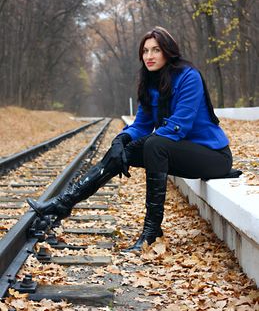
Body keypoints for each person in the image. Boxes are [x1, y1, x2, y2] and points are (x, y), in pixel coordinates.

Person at [27, 26, 240, 252]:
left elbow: (179, 127)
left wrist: (139, 143)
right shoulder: (150, 83)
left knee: (155, 145)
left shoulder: (189, 77)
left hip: (213, 157)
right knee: (123, 152)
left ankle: (150, 233)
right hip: (181, 152)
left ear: (168, 52)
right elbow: (141, 125)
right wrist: (120, 140)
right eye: (145, 51)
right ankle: (63, 204)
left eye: (156, 50)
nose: (149, 56)